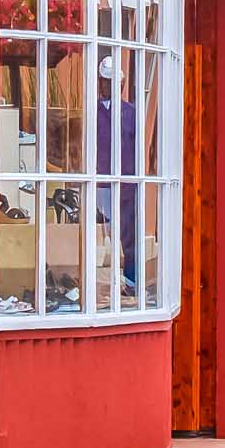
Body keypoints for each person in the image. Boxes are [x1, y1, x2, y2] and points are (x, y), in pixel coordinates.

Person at [95, 54, 138, 297]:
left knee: (127, 234)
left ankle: (130, 281)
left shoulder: (130, 113)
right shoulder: (92, 112)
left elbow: (137, 149)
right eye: (103, 81)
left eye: (110, 82)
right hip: (100, 182)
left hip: (126, 183)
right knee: (101, 234)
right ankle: (95, 283)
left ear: (119, 85)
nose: (105, 86)